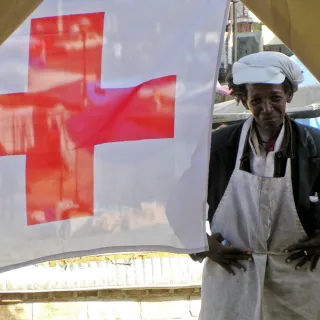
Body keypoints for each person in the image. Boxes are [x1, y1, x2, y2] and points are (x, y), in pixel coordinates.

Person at [194, 51, 320, 320]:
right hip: (233, 277)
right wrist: (203, 245)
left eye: (275, 98)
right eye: (256, 100)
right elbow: (177, 205)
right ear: (242, 100)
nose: (266, 108)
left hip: (298, 280)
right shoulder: (218, 148)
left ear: (288, 94)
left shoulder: (315, 147)